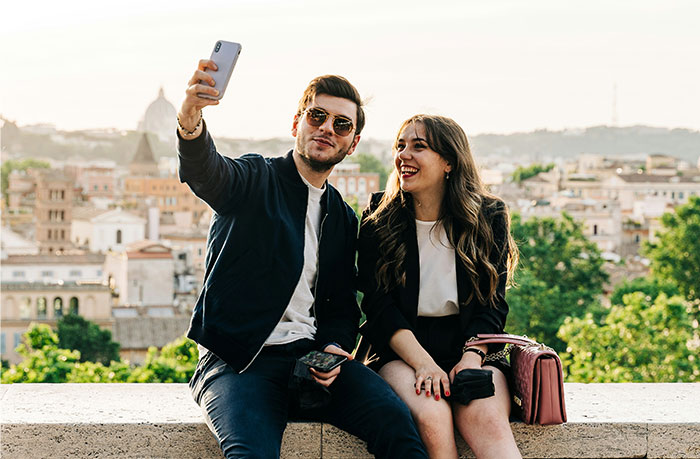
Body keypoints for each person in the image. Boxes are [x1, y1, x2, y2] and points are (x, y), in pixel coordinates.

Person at [176, 59, 427, 459]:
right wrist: (191, 118)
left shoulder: (342, 217)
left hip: (310, 360)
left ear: (353, 143)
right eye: (317, 116)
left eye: (341, 124)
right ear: (297, 123)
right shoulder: (255, 179)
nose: (327, 128)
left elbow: (342, 306)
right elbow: (208, 174)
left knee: (401, 432)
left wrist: (333, 346)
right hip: (240, 363)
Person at [357, 114, 522, 459]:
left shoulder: (488, 217)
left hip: (471, 346)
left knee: (488, 420)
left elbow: (492, 306)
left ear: (449, 161)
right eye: (400, 145)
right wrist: (424, 364)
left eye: (419, 146)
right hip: (402, 348)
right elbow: (378, 307)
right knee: (432, 418)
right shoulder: (379, 216)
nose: (404, 155)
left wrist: (471, 358)